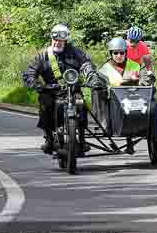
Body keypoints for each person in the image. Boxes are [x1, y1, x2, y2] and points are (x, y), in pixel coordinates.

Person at [22, 24, 101, 154]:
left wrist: (92, 77)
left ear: (66, 40)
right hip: (51, 91)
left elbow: (87, 64)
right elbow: (30, 73)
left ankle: (81, 139)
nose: (58, 42)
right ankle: (49, 138)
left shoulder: (76, 52)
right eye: (55, 39)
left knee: (81, 105)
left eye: (61, 40)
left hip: (73, 90)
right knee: (45, 104)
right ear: (51, 39)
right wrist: (38, 85)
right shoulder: (42, 56)